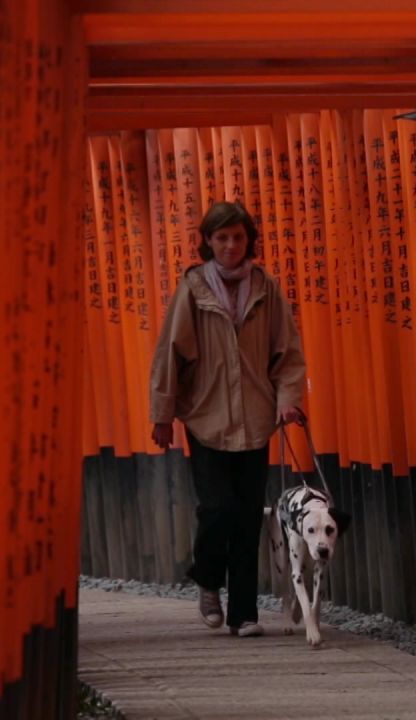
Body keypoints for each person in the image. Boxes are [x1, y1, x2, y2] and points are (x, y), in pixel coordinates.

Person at [149, 201, 306, 638]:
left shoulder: (265, 286)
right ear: (208, 242)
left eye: (237, 237)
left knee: (247, 517)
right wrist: (163, 414)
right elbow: (170, 352)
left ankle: (244, 614)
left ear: (248, 240)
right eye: (221, 238)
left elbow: (287, 352)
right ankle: (206, 578)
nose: (231, 245)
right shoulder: (194, 288)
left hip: (256, 417)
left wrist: (287, 399)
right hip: (206, 415)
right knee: (217, 509)